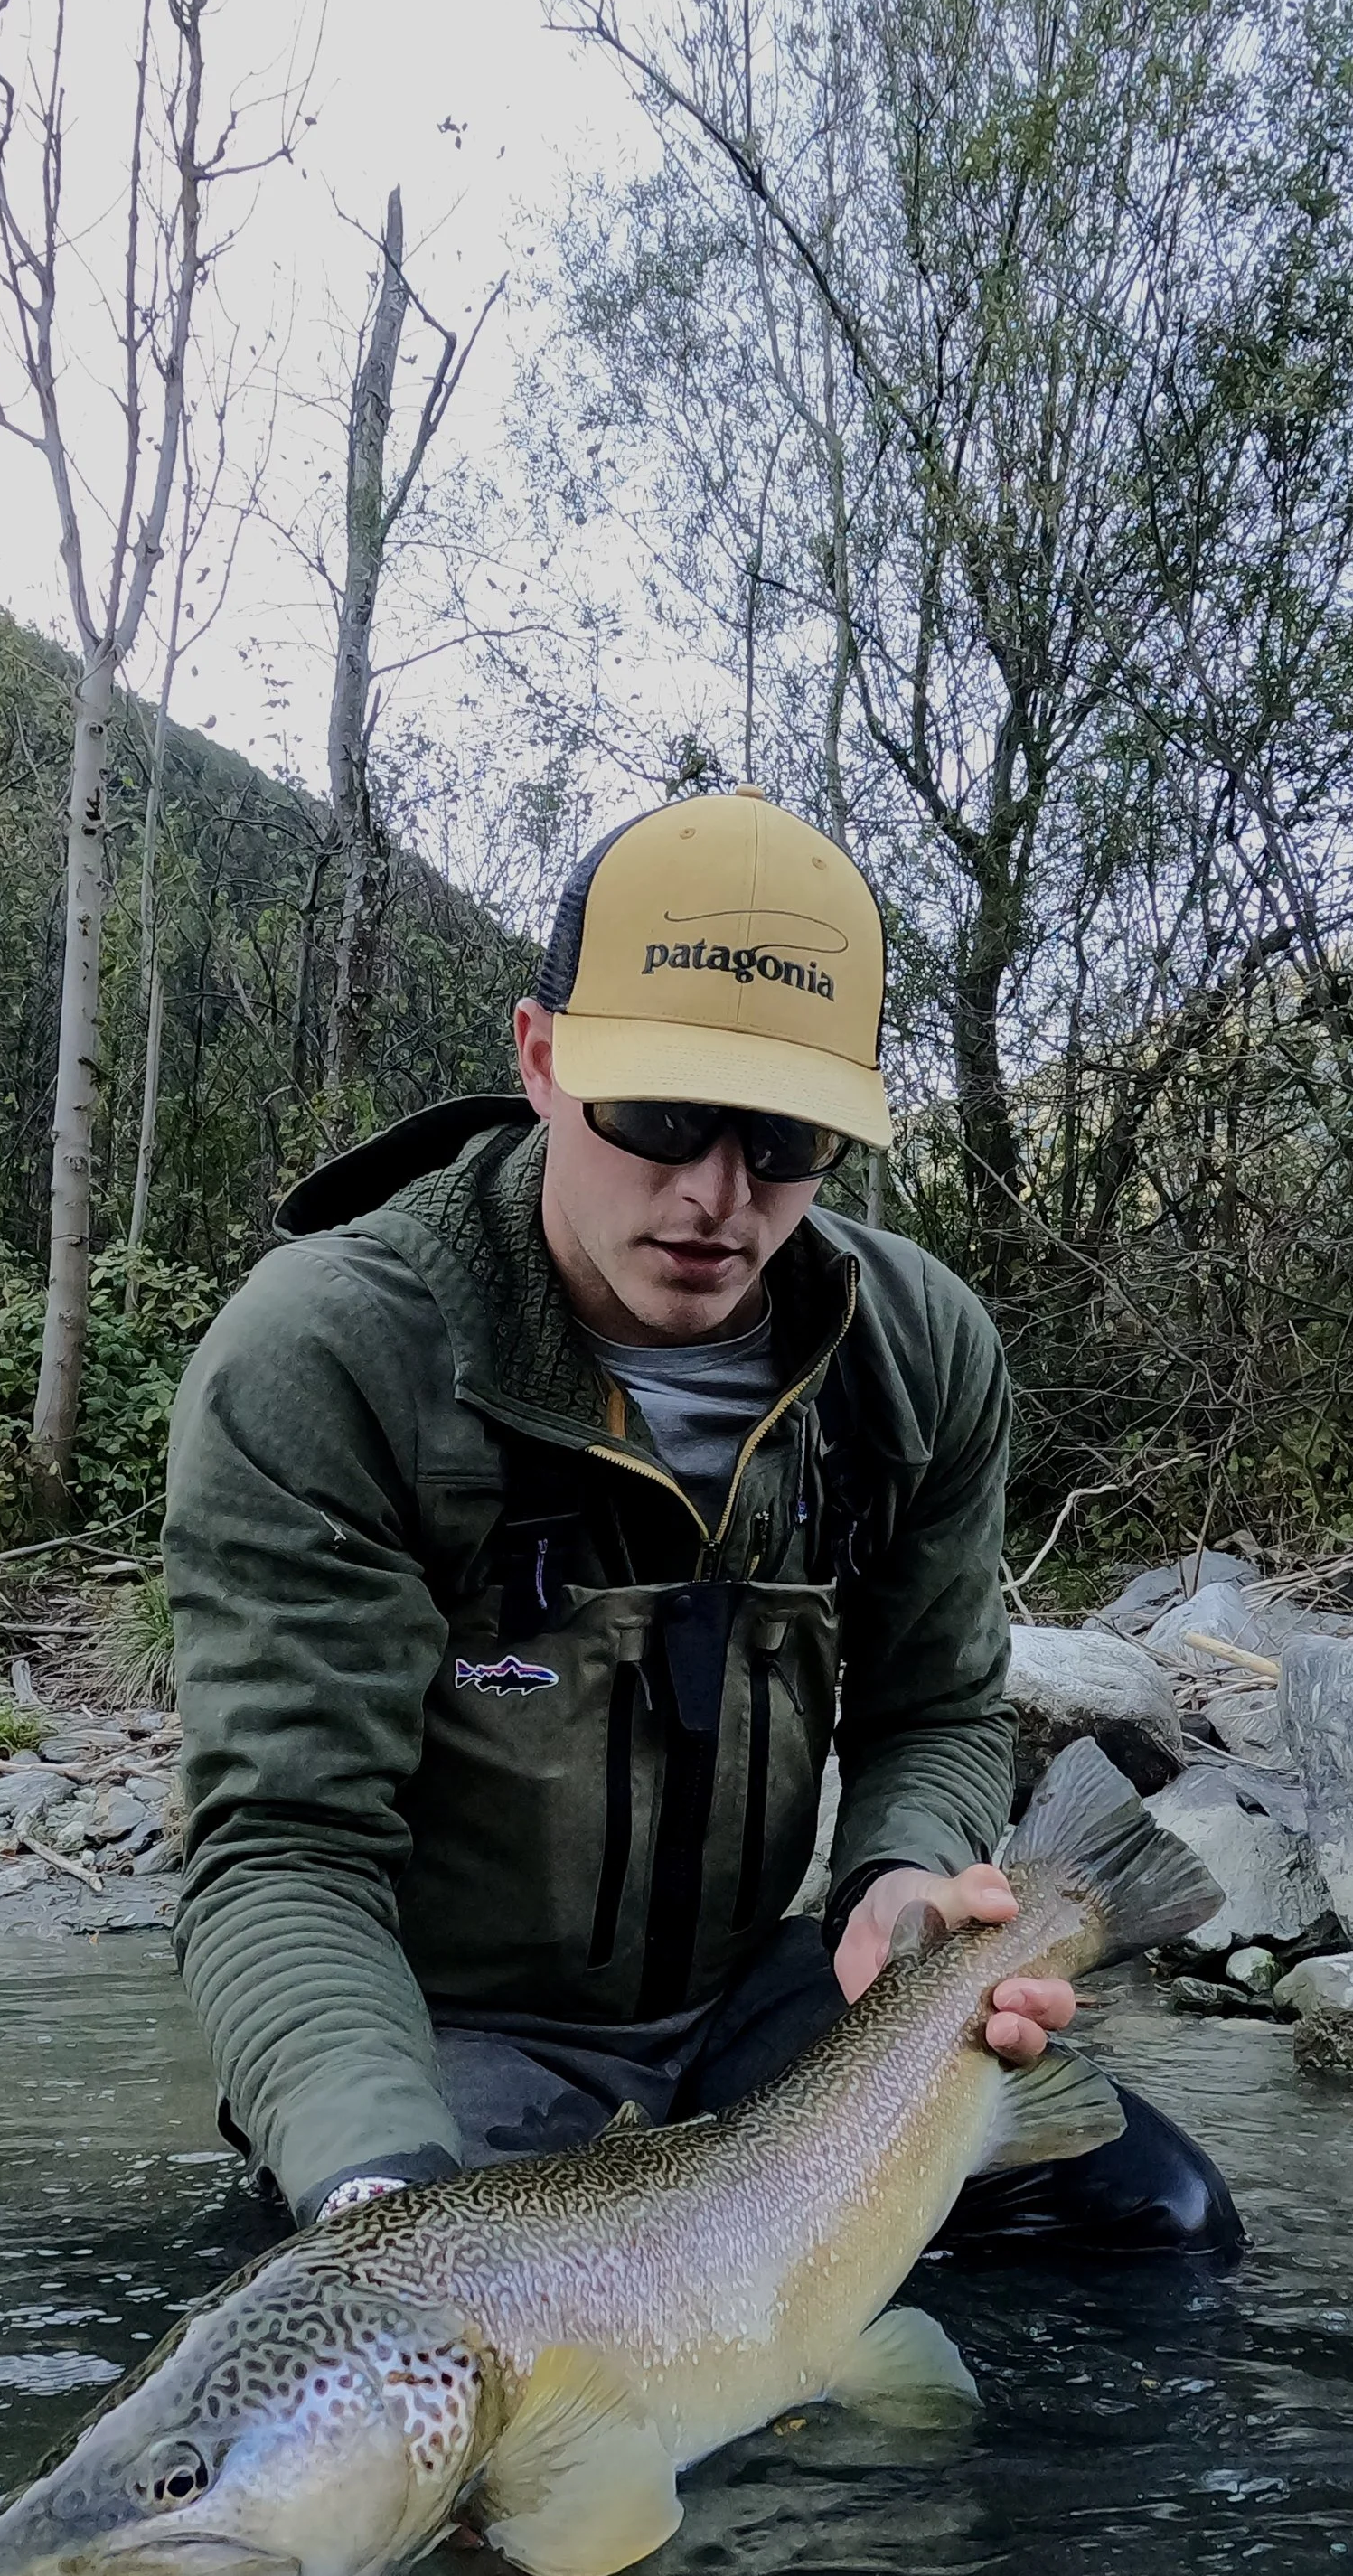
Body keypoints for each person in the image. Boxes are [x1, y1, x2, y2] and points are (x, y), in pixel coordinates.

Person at [164, 785, 1239, 2256]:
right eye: (661, 1113)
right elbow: (287, 1852)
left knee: (1156, 2227)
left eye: (786, 1136)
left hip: (765, 2011)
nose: (718, 1195)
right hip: (442, 2037)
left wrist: (898, 1886)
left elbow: (935, 1712)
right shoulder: (329, 1355)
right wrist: (377, 2207)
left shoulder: (917, 1349)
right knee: (412, 2359)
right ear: (541, 1057)